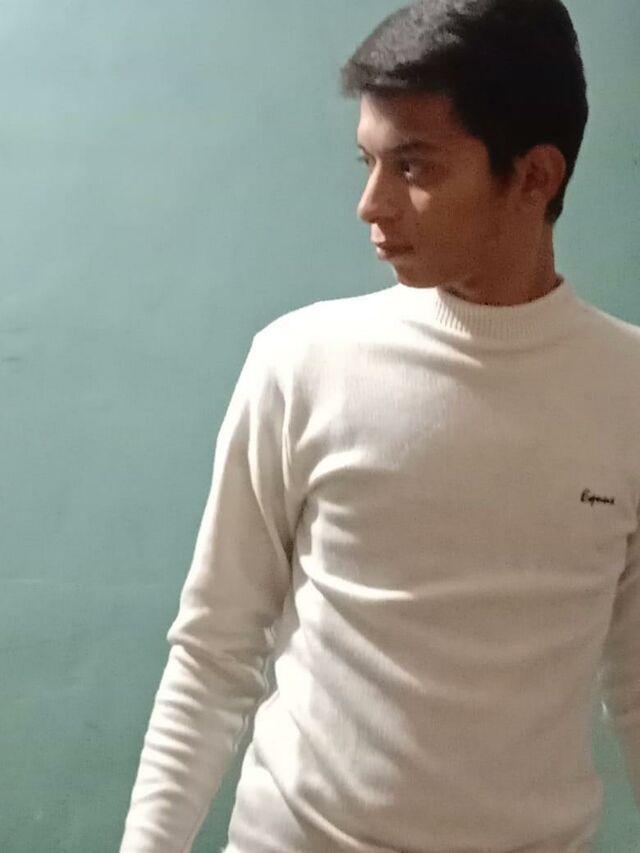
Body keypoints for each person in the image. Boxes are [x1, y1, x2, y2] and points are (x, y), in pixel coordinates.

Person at [119, 1, 640, 851]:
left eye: (414, 167)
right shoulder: (301, 361)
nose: (371, 204)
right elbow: (215, 650)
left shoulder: (628, 389)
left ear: (535, 177)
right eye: (367, 162)